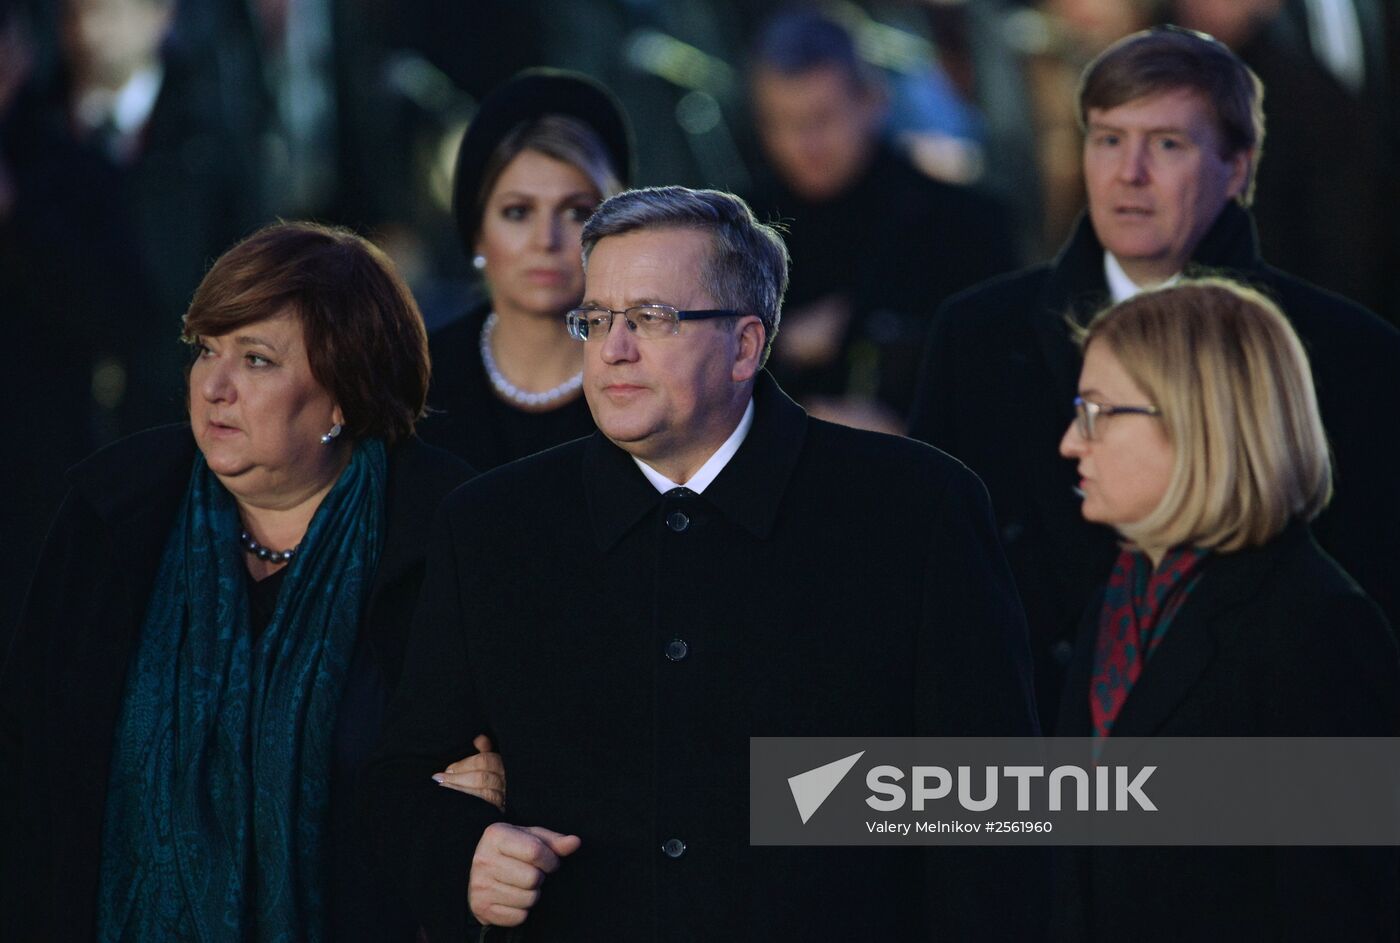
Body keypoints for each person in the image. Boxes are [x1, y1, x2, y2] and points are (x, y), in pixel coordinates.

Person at [364, 186, 1042, 941]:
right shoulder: (490, 525)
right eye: (597, 319)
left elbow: (994, 813)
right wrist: (466, 850)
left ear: (746, 345)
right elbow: (401, 783)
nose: (614, 348)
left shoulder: (919, 509)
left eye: (652, 318)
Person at [0, 222, 498, 942]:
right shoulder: (111, 515)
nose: (215, 386)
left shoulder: (448, 538)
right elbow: (27, 762)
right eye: (206, 350)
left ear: (342, 400)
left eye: (257, 359)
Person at [907, 25, 1400, 731]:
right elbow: (937, 576)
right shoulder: (976, 335)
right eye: (1108, 138)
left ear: (1237, 168)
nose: (1127, 171)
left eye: (1166, 143)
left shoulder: (1352, 355)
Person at [1051, 278, 1400, 940]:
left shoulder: (1319, 628)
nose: (1072, 441)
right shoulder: (1117, 602)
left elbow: (1345, 906)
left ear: (1197, 420)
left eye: (1096, 411)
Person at [743, 9, 1017, 430]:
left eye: (822, 118)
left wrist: (905, 434)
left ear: (872, 101)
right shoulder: (733, 233)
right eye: (782, 122)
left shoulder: (965, 226)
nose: (805, 143)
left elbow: (1001, 383)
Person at [417, 69, 631, 471]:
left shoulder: (652, 375)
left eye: (576, 212)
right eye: (517, 212)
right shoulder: (414, 383)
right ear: (477, 233)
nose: (545, 240)